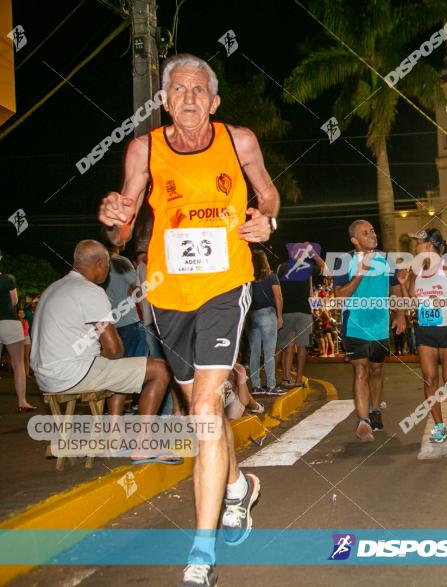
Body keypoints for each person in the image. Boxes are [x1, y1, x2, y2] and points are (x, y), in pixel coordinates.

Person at [97, 53, 280, 586]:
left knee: (203, 406)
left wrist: (266, 217)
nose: (190, 97)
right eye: (179, 89)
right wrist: (113, 217)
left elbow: (266, 191)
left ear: (215, 101)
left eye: (200, 89)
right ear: (164, 100)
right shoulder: (143, 149)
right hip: (168, 296)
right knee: (204, 412)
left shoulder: (238, 140)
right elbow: (123, 227)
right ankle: (239, 484)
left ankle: (202, 555)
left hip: (225, 286)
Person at [30, 241, 171, 426]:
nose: (107, 271)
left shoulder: (53, 288)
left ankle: (114, 434)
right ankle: (144, 442)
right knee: (160, 369)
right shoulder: (90, 291)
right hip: (71, 374)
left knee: (121, 369)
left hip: (45, 376)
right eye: (107, 265)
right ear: (99, 263)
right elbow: (114, 350)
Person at [332, 220, 406, 440]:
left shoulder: (386, 259)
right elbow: (340, 294)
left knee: (376, 370)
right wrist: (360, 272)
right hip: (354, 325)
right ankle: (363, 420)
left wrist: (400, 314)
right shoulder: (344, 261)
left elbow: (394, 288)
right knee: (361, 370)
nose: (372, 235)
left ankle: (375, 410)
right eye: (365, 233)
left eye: (372, 231)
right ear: (355, 240)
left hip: (380, 326)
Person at [406, 229, 447, 443]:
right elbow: (412, 301)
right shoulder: (416, 272)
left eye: (418, 242)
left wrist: (443, 302)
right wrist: (402, 283)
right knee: (429, 379)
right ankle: (439, 426)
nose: (415, 247)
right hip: (425, 331)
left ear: (428, 246)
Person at [276, 243, 324, 387]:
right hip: (304, 312)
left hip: (286, 312)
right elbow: (324, 269)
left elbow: (277, 290)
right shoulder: (307, 268)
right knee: (302, 347)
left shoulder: (281, 268)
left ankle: (281, 378)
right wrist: (315, 254)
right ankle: (298, 379)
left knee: (284, 346)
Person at [0, 252, 35, 412]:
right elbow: (14, 301)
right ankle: (22, 402)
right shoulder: (8, 279)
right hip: (9, 322)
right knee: (18, 363)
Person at [104, 239, 148, 357]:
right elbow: (138, 289)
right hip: (129, 321)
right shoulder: (120, 261)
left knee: (120, 364)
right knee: (138, 366)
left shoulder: (100, 261)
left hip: (110, 324)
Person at [248, 250, 283, 395]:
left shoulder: (248, 277)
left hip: (251, 315)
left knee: (254, 352)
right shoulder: (271, 276)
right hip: (268, 314)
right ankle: (271, 386)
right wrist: (280, 317)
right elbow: (278, 297)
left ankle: (256, 386)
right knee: (269, 352)